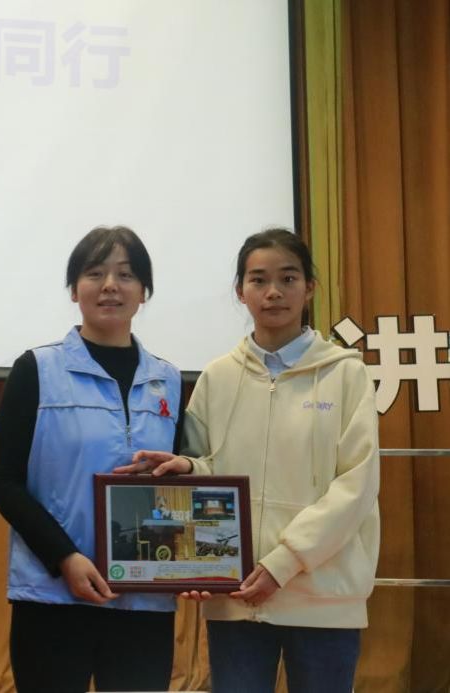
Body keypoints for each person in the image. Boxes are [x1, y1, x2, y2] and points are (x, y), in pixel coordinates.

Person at [119, 228, 380, 692]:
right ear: (241, 291)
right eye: (258, 280)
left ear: (309, 288)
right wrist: (188, 470)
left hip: (324, 596)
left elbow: (355, 486)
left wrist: (285, 562)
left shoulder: (346, 374)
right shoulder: (218, 377)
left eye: (288, 278)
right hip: (237, 596)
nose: (273, 291)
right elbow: (207, 470)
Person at [0, 226, 183, 693]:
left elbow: (182, 480)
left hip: (144, 599)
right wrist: (64, 558)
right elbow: (3, 481)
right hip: (53, 593)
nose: (110, 285)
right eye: (95, 273)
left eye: (126, 275)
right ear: (75, 290)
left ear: (144, 292)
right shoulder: (37, 369)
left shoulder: (169, 379)